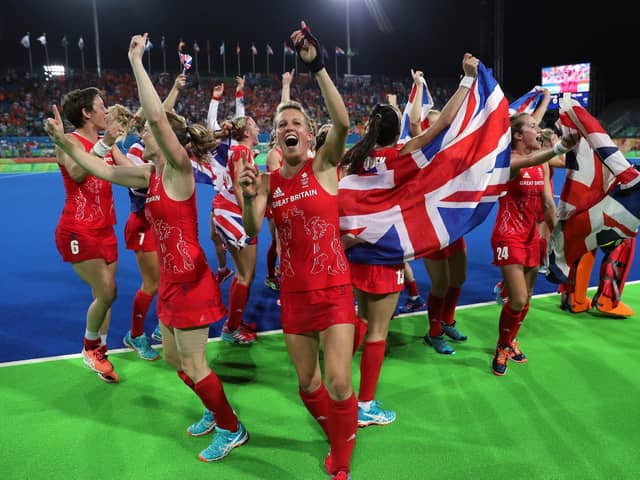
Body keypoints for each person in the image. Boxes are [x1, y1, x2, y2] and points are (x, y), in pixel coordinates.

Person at [45, 32, 248, 462]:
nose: (144, 134)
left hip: (192, 280)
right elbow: (96, 167)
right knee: (176, 360)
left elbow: (156, 118)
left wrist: (137, 62)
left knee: (195, 365)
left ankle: (232, 427)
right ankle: (213, 411)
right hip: (171, 284)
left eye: (151, 132)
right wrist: (64, 145)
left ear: (166, 139)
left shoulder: (177, 170)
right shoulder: (147, 174)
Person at [238, 22, 356, 480]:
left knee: (340, 381)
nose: (289, 128)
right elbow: (251, 230)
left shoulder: (324, 166)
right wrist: (249, 198)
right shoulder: (267, 182)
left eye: (297, 124)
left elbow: (343, 122)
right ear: (275, 138)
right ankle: (340, 432)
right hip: (293, 294)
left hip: (334, 290)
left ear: (309, 137)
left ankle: (342, 457)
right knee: (308, 383)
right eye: (281, 124)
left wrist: (317, 66)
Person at [339, 57, 479, 425]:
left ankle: (337, 381)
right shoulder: (403, 156)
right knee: (378, 332)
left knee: (362, 320)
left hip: (355, 257)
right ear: (395, 130)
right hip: (385, 257)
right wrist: (466, 80)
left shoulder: (355, 158)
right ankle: (365, 406)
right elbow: (445, 123)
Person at [490, 112, 576, 376]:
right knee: (516, 299)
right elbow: (527, 159)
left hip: (530, 237)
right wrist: (559, 147)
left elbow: (549, 203)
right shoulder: (511, 160)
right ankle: (502, 347)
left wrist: (558, 238)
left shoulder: (543, 164)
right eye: (533, 126)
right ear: (517, 135)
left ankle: (509, 341)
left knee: (526, 299)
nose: (539, 130)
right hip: (507, 236)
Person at [53, 86, 128, 383]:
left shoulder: (105, 142)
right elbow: (77, 173)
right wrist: (106, 142)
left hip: (105, 228)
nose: (106, 110)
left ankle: (101, 351)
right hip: (77, 228)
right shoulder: (67, 141)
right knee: (109, 291)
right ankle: (89, 348)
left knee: (104, 296)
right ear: (86, 112)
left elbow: (131, 171)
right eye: (101, 105)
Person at [122, 73, 187, 359]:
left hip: (158, 223)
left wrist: (174, 88)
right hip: (143, 224)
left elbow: (163, 115)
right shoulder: (138, 151)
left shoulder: (157, 147)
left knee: (167, 277)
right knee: (152, 283)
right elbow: (134, 180)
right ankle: (135, 335)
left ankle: (162, 323)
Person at [212, 78, 261, 344]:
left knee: (246, 274)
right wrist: (249, 218)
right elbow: (243, 190)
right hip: (234, 213)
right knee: (245, 275)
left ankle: (235, 319)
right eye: (253, 124)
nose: (256, 125)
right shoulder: (242, 152)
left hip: (228, 211)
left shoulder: (241, 149)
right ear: (246, 132)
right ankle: (231, 329)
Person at [205, 77, 248, 286]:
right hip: (220, 197)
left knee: (235, 240)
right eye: (222, 124)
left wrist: (239, 93)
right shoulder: (215, 144)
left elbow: (241, 120)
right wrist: (215, 99)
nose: (224, 126)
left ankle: (243, 273)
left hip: (233, 197)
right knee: (214, 236)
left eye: (228, 125)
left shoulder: (235, 144)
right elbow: (210, 124)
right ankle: (224, 269)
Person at [263, 68, 295, 291]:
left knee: (284, 243)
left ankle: (279, 275)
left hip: (293, 201)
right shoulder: (275, 154)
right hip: (278, 205)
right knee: (280, 243)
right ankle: (278, 278)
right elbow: (277, 187)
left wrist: (286, 87)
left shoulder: (291, 150)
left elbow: (287, 116)